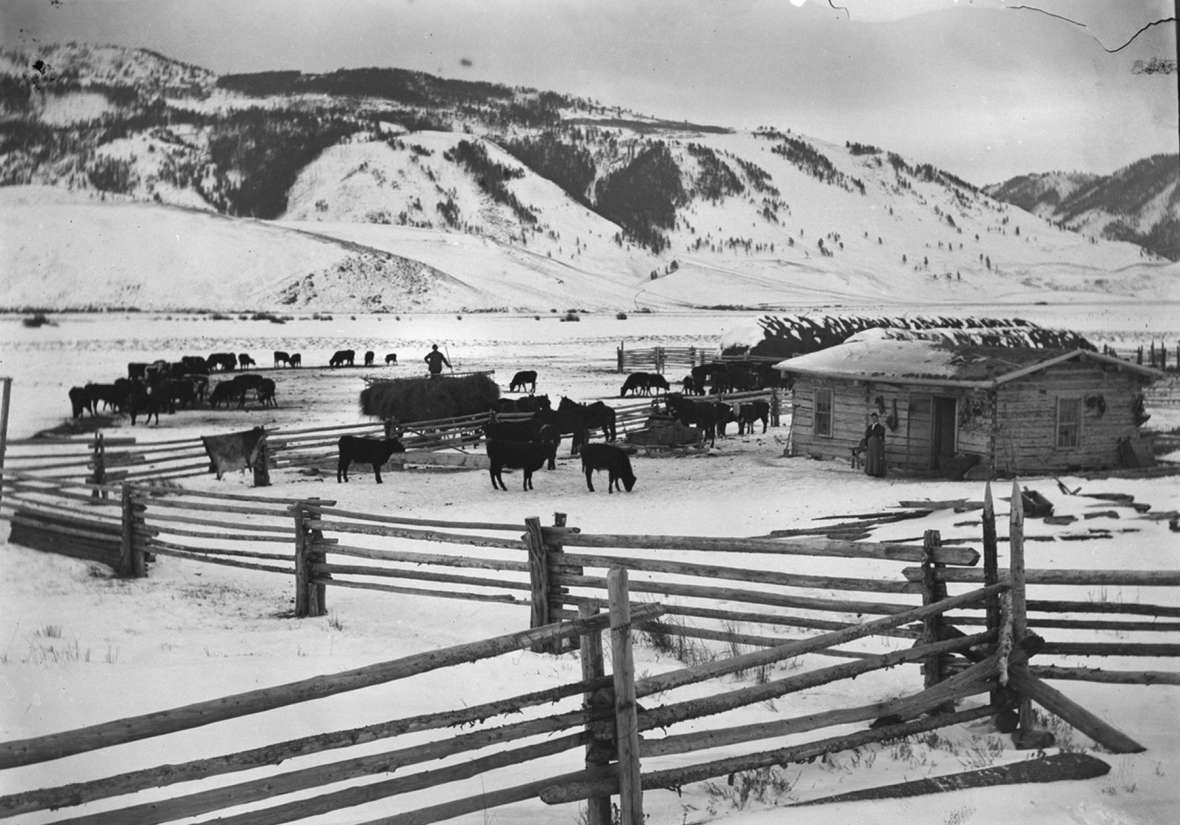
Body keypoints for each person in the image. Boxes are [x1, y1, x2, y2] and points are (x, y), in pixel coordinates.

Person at [862, 412, 887, 478]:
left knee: (876, 458)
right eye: (872, 418)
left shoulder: (881, 427)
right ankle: (870, 471)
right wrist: (866, 444)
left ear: (877, 419)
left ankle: (876, 472)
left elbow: (881, 436)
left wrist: (881, 443)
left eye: (875, 418)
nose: (874, 419)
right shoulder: (869, 427)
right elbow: (867, 436)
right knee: (870, 458)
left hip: (876, 445)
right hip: (870, 445)